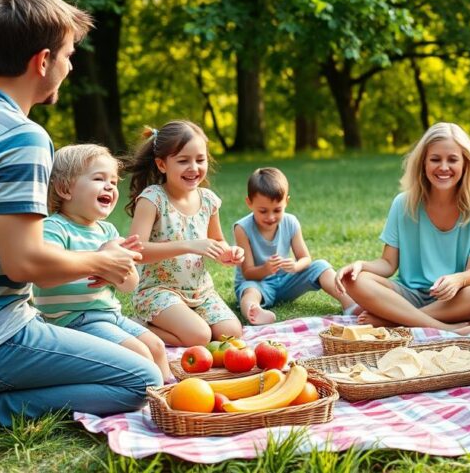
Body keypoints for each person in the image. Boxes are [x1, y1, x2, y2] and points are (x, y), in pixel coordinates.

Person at [0, 0, 162, 446]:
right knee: (140, 380)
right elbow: (24, 264)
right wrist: (101, 261)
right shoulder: (20, 136)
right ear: (42, 61)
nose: (70, 65)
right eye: (68, 54)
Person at [335, 122, 470, 333]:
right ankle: (444, 327)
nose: (444, 167)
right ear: (423, 163)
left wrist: (457, 280)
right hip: (408, 294)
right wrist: (361, 265)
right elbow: (388, 263)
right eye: (435, 159)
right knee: (352, 280)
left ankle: (396, 320)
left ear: (465, 164)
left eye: (452, 160)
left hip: (453, 297)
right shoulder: (404, 204)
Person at [33, 144, 173, 382]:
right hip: (72, 320)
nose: (109, 186)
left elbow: (130, 285)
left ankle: (169, 393)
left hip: (110, 314)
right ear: (64, 189)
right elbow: (47, 273)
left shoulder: (108, 231)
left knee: (157, 347)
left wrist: (119, 272)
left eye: (114, 182)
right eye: (99, 178)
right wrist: (100, 259)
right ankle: (151, 398)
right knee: (139, 353)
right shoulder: (54, 227)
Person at [125, 121, 246, 347]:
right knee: (199, 337)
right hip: (158, 291)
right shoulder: (152, 199)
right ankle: (138, 327)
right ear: (162, 165)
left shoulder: (208, 199)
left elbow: (217, 240)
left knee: (231, 333)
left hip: (201, 291)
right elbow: (136, 251)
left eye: (200, 160)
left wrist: (229, 252)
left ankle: (185, 323)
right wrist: (189, 245)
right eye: (183, 161)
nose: (194, 167)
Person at [233, 168, 354, 325]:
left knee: (321, 265)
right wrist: (266, 269)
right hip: (258, 283)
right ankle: (254, 311)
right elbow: (248, 273)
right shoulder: (242, 228)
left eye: (277, 210)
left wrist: (296, 266)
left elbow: (305, 258)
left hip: (284, 281)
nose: (270, 217)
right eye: (263, 211)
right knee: (249, 290)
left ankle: (350, 304)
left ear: (286, 202)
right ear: (249, 203)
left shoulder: (291, 222)